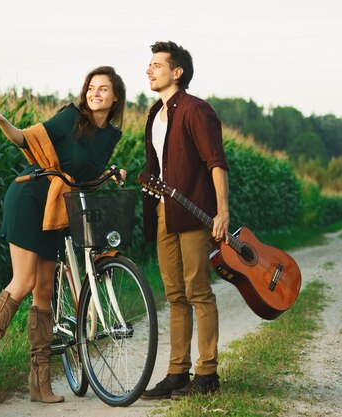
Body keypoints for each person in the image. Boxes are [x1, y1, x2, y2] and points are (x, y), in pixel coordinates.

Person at [0, 66, 126, 403]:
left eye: (103, 89)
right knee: (23, 282)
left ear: (116, 97)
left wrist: (113, 173)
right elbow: (26, 137)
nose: (95, 93)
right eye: (91, 87)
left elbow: (86, 173)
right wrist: (4, 120)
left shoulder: (111, 136)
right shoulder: (70, 118)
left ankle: (40, 384)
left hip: (59, 207)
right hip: (30, 195)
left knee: (45, 289)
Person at [139, 41, 230, 399]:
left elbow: (216, 162)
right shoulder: (154, 115)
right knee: (175, 294)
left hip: (194, 213)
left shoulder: (196, 110)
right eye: (149, 65)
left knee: (198, 292)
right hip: (165, 211)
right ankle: (178, 372)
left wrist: (222, 212)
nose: (149, 70)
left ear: (177, 72)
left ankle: (207, 375)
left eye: (156, 65)